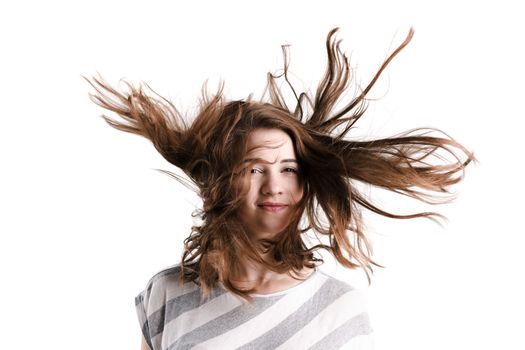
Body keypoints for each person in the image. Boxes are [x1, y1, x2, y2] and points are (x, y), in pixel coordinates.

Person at [86, 27, 475, 350]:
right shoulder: (167, 294)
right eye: (254, 168)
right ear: (220, 181)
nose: (274, 186)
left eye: (288, 169)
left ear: (304, 185)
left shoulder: (338, 310)